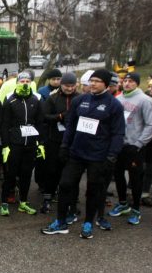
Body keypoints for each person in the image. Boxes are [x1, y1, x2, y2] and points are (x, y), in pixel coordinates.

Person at [41, 69, 125, 238]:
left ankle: (88, 223)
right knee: (65, 185)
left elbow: (118, 133)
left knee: (93, 190)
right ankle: (61, 221)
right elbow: (71, 125)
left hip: (98, 155)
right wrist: (65, 145)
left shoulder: (113, 105)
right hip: (76, 152)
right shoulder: (80, 100)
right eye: (91, 80)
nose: (92, 84)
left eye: (97, 81)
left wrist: (112, 155)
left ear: (106, 84)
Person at [107, 72, 152, 226]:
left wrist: (139, 143)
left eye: (131, 81)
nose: (127, 84)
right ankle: (123, 202)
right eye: (125, 81)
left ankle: (136, 209)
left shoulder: (145, 100)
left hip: (135, 146)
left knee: (135, 178)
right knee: (118, 174)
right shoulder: (119, 99)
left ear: (137, 83)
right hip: (119, 144)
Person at [0, 71, 44, 216]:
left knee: (26, 174)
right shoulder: (9, 98)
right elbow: (4, 124)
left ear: (31, 83)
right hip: (14, 143)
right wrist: (5, 145)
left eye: (27, 81)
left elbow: (40, 122)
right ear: (17, 82)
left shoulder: (37, 98)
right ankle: (4, 202)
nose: (24, 84)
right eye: (22, 81)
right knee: (10, 174)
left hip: (30, 143)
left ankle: (23, 202)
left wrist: (40, 143)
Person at [39, 72, 79, 214]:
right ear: (61, 85)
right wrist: (60, 116)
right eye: (66, 86)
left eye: (72, 86)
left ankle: (70, 202)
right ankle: (47, 199)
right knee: (52, 170)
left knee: (71, 172)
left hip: (73, 141)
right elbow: (44, 117)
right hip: (54, 139)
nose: (69, 88)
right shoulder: (53, 98)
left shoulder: (80, 98)